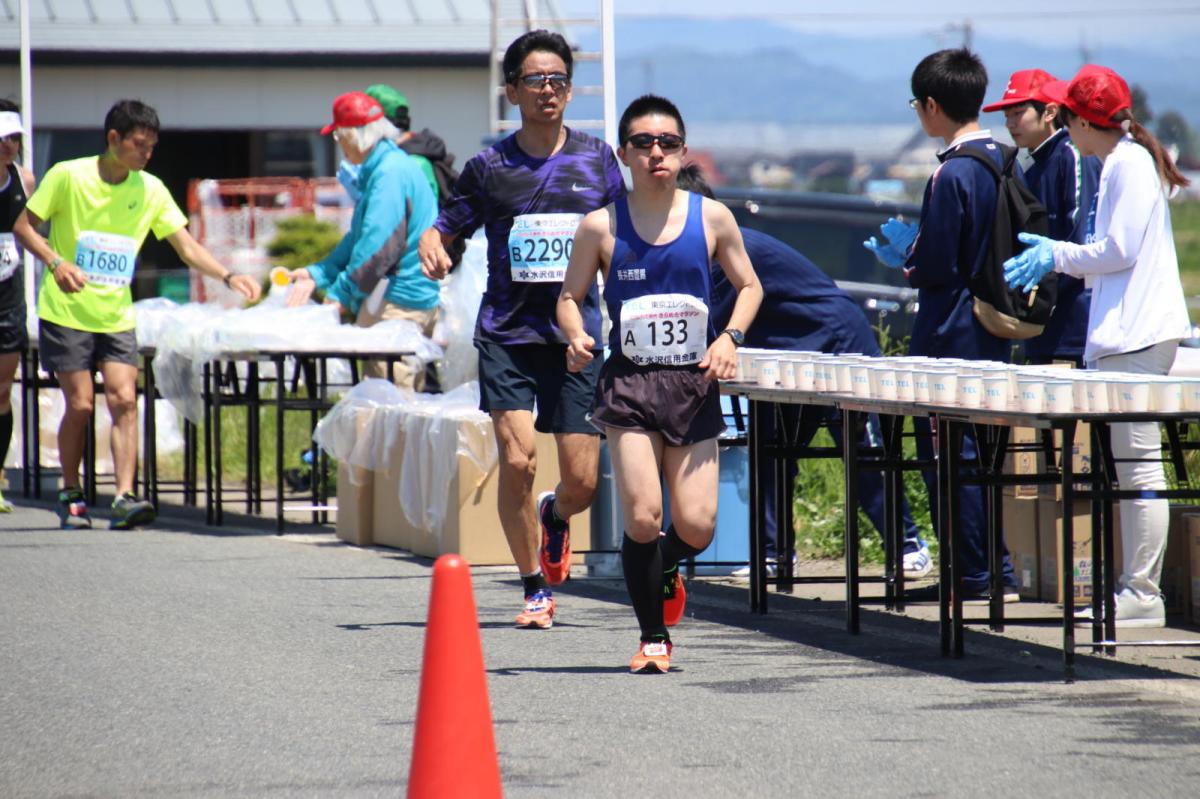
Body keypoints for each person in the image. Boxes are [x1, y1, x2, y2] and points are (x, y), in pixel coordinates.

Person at [418, 30, 626, 629]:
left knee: (582, 481)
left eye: (558, 79)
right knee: (518, 459)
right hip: (507, 333)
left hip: (576, 339)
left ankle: (555, 516)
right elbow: (446, 226)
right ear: (511, 90)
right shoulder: (489, 168)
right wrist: (433, 244)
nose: (548, 90)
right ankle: (534, 586)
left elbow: (623, 237)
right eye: (534, 79)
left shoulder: (596, 159)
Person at [558, 95, 762, 673]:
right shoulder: (601, 225)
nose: (656, 153)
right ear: (623, 154)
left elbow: (750, 287)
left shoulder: (712, 218)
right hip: (629, 386)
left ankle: (666, 565)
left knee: (696, 525)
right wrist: (576, 335)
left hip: (693, 383)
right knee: (644, 515)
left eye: (667, 143)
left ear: (682, 151)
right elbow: (569, 299)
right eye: (643, 144)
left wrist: (731, 338)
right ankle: (653, 637)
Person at [13, 99, 260, 529]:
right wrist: (57, 262)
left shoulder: (150, 189)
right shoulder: (68, 175)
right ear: (114, 139)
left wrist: (228, 274)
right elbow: (23, 225)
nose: (147, 154)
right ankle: (71, 491)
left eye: (152, 147)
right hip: (67, 309)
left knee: (126, 399)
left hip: (116, 314)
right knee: (82, 404)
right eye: (140, 145)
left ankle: (125, 496)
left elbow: (185, 247)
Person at [1004, 65, 1192, 628]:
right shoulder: (1122, 161)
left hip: (1137, 336)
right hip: (1127, 336)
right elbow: (1110, 254)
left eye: (1069, 114)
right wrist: (1064, 252)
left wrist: (1057, 254)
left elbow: (1118, 250)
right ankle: (1135, 590)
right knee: (1131, 471)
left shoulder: (1125, 165)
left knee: (1139, 472)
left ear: (1085, 121)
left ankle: (1142, 594)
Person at [676, 165, 931, 579]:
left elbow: (702, 332)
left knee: (861, 448)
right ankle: (775, 552)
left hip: (837, 341)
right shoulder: (699, 256)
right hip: (784, 357)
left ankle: (908, 544)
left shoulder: (729, 251)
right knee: (770, 451)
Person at [864, 48, 1019, 602]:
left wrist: (908, 255)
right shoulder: (1004, 158)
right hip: (992, 330)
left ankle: (970, 574)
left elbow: (935, 266)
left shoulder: (951, 172)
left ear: (932, 105)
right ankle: (995, 568)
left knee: (951, 459)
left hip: (949, 331)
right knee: (983, 455)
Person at [287, 91, 439, 390]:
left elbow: (376, 249)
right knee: (389, 404)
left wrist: (340, 295)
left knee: (391, 407)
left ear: (353, 136)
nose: (340, 146)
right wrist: (317, 272)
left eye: (338, 137)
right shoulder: (384, 168)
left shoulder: (389, 174)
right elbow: (356, 239)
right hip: (397, 299)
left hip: (399, 303)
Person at [983, 69, 1101, 366]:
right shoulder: (1031, 169)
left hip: (1075, 327)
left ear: (1049, 112)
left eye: (1018, 113)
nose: (1010, 124)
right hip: (1040, 327)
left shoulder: (1072, 155)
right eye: (1006, 116)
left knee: (1071, 412)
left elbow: (1081, 237)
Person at [0, 101, 35, 512]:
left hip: (9, 299)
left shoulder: (25, 181)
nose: (7, 146)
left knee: (3, 390)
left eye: (14, 138)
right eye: (1, 138)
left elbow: (33, 232)